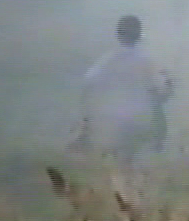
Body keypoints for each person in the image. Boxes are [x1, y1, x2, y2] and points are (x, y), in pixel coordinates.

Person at [73, 15, 174, 163]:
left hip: (112, 120)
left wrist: (87, 121)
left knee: (118, 159)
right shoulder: (147, 60)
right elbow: (162, 89)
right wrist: (165, 91)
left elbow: (88, 83)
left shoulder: (108, 59)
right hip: (141, 120)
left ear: (118, 35)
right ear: (139, 35)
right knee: (137, 157)